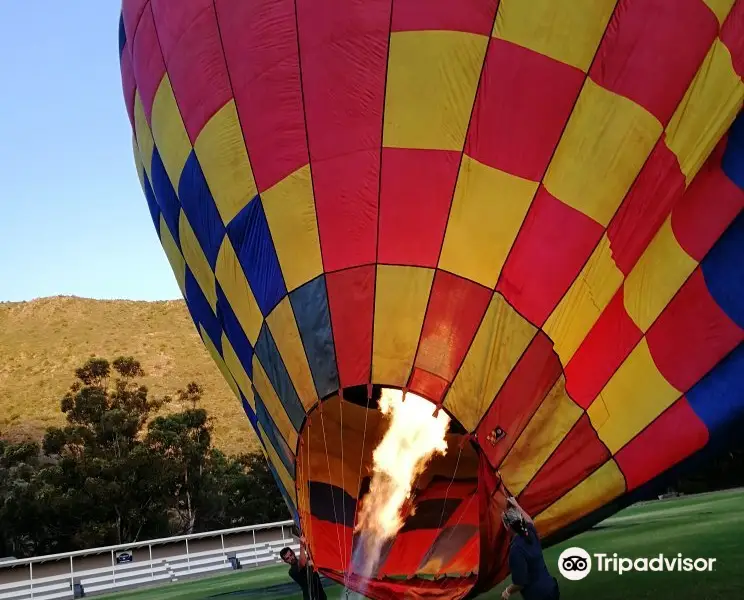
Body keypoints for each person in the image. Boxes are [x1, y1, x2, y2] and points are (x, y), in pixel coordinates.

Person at [501, 496, 559, 600]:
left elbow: (520, 583)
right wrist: (517, 505)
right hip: (551, 588)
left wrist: (507, 591)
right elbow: (529, 521)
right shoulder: (530, 533)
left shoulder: (516, 550)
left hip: (537, 595)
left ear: (508, 527)